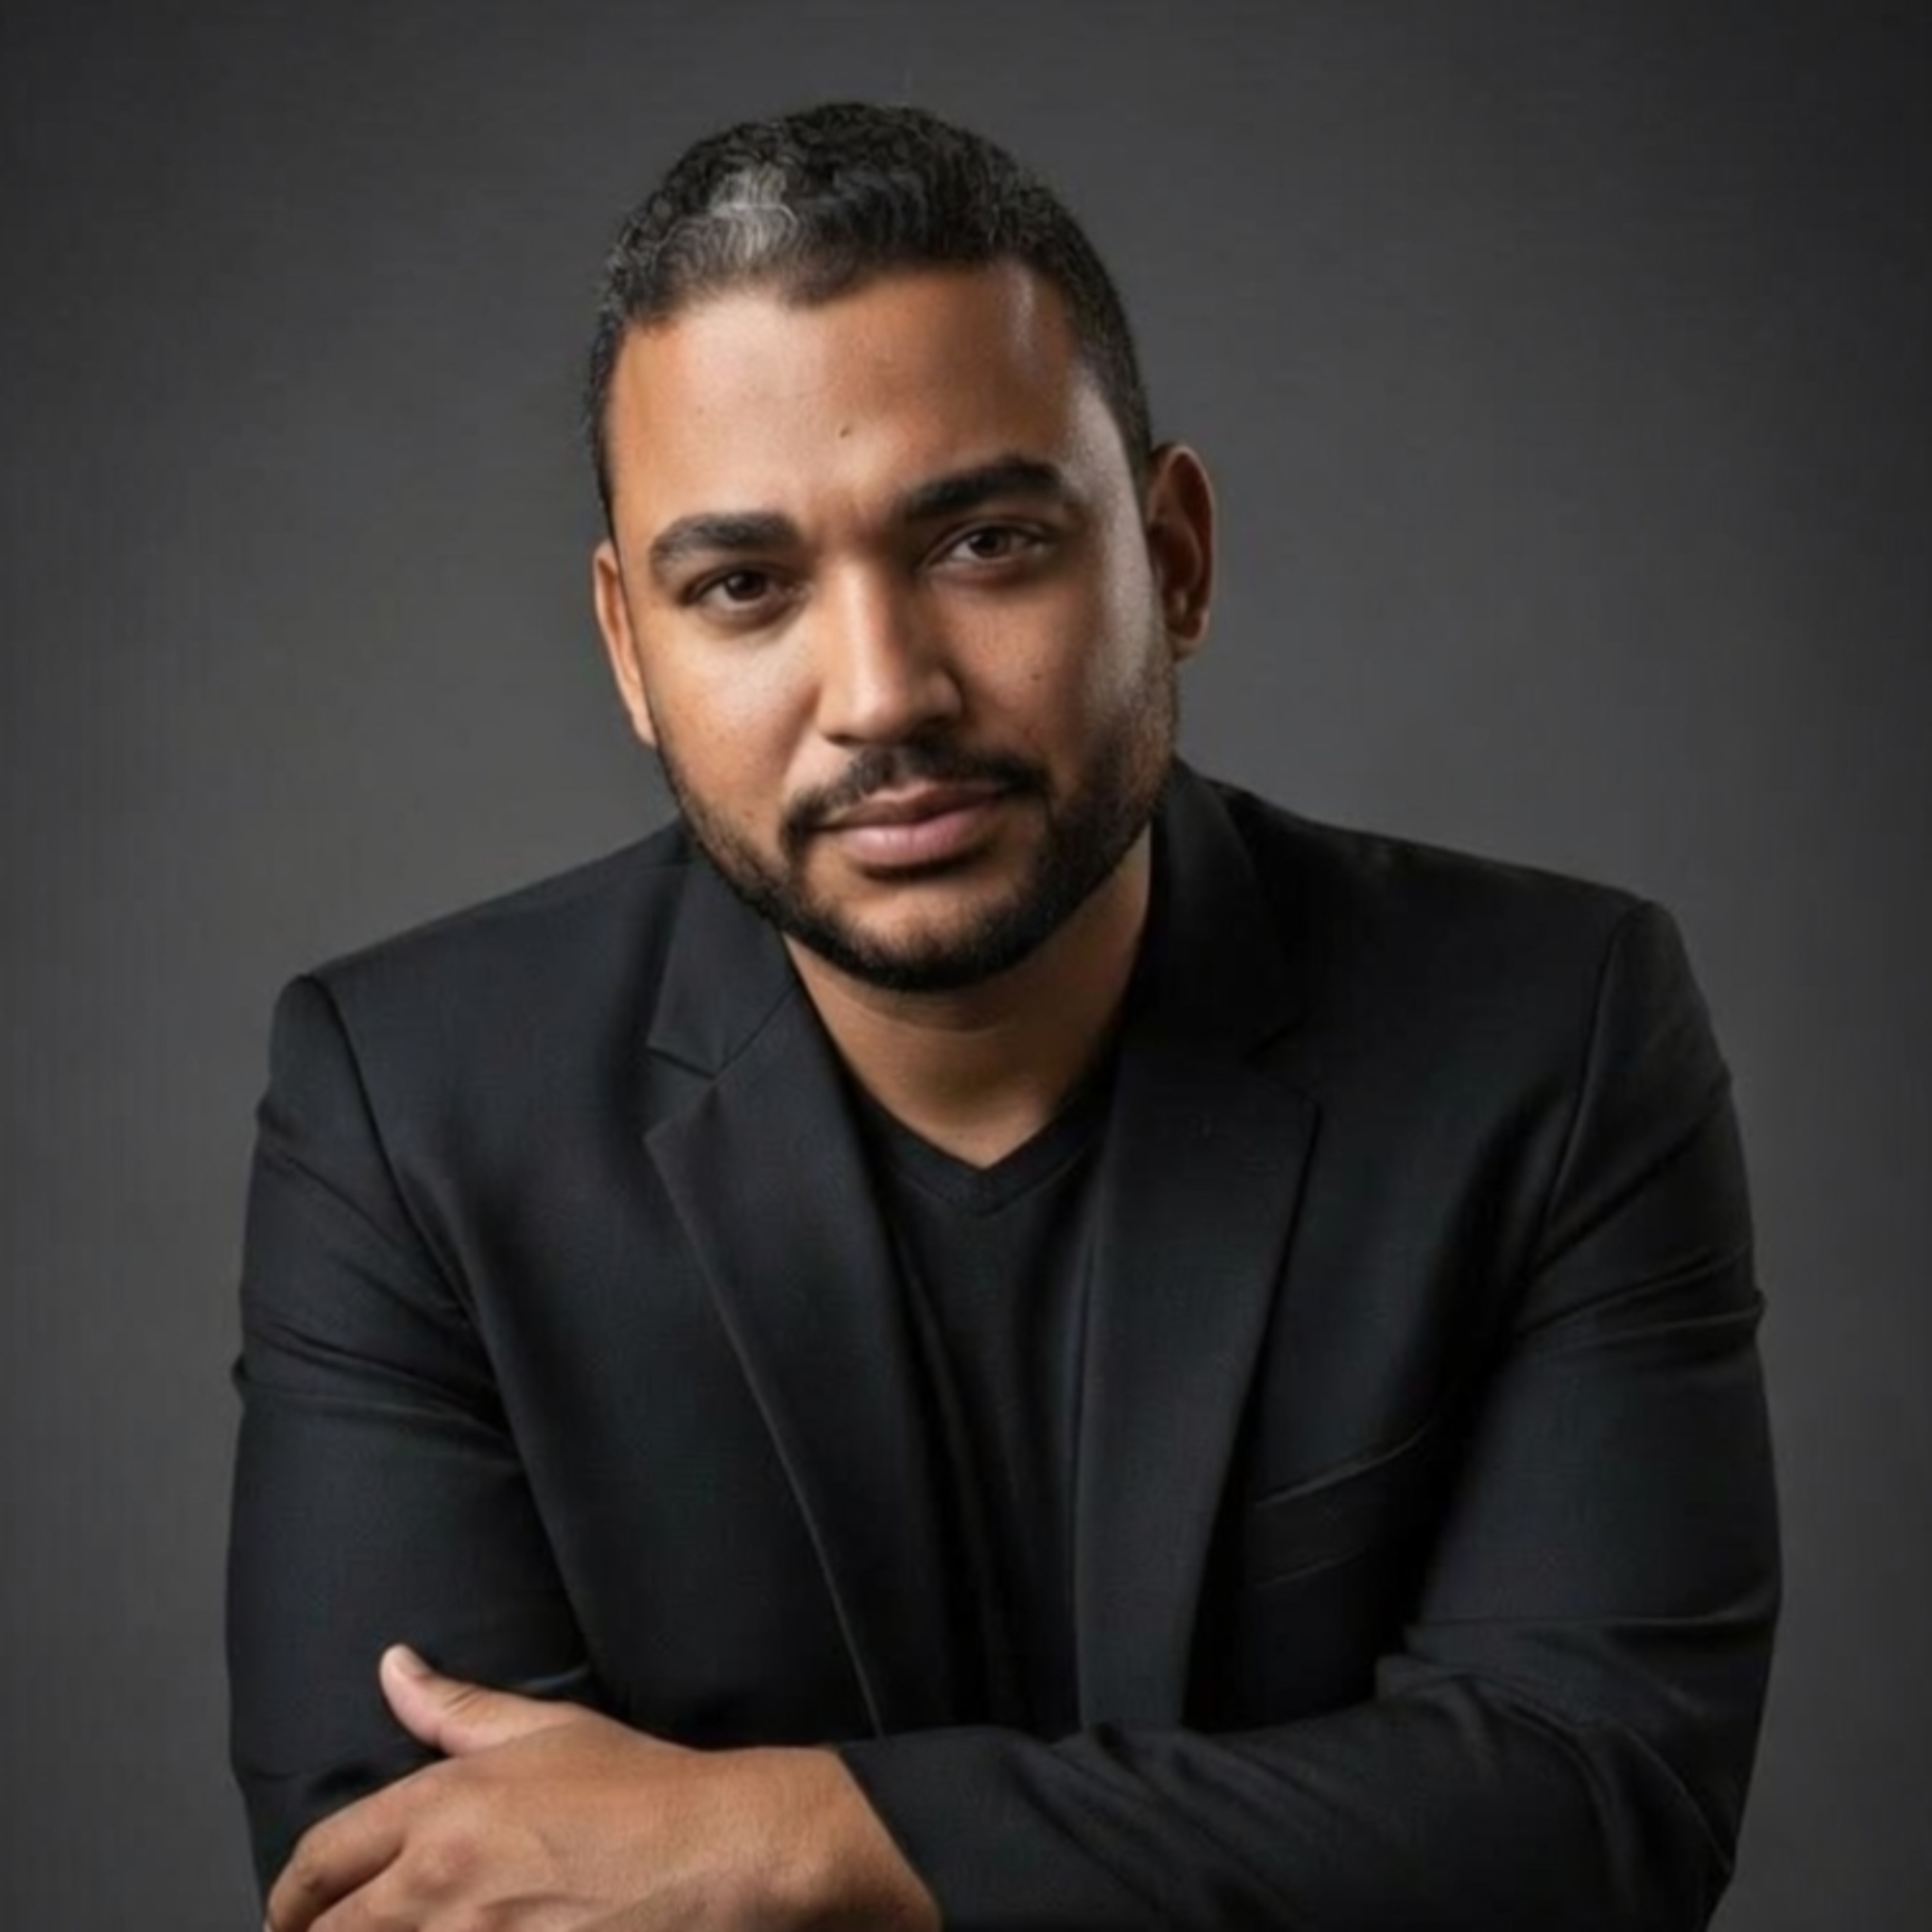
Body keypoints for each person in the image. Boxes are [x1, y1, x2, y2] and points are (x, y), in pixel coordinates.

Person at [229, 102, 1779, 1931]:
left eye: (981, 543)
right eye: (743, 588)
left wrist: (795, 1842)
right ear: (632, 651)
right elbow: (412, 1893)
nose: (882, 694)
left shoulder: (1550, 1037)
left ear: (1174, 559)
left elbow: (1599, 1816)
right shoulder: (406, 1110)